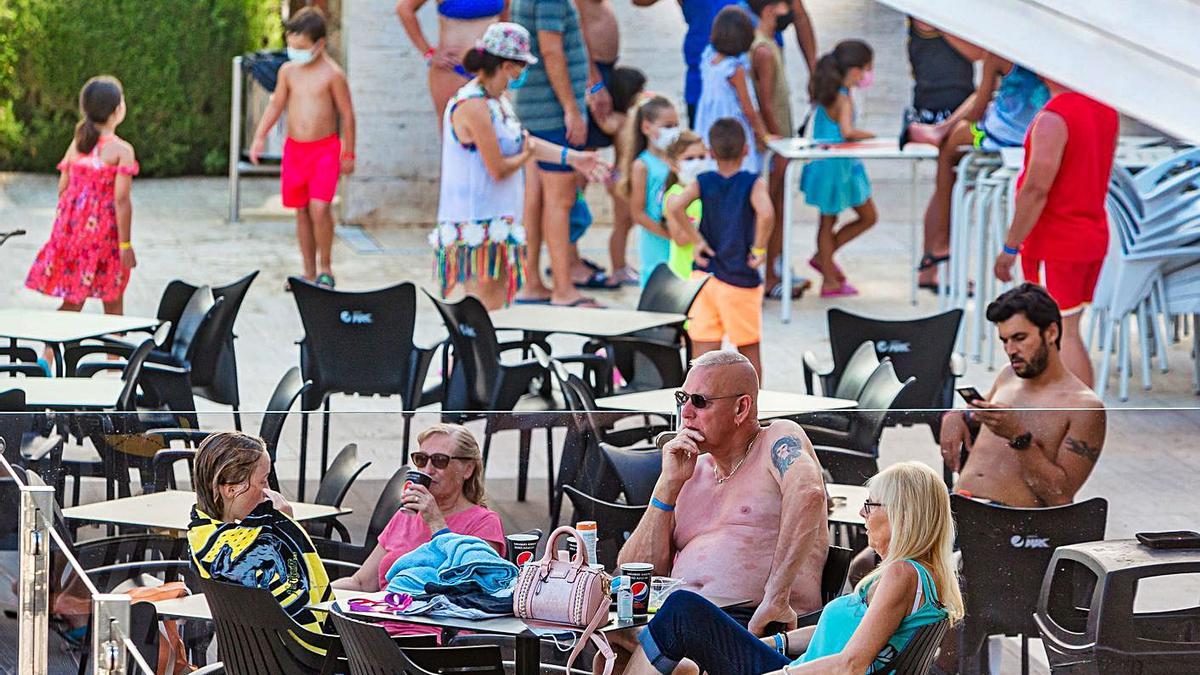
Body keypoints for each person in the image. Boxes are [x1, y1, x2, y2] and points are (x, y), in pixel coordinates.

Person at [602, 351, 827, 674]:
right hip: (674, 625)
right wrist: (667, 486)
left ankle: (677, 659)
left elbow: (808, 493)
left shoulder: (775, 441)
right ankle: (675, 659)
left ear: (741, 408)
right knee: (610, 629)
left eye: (700, 401)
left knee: (681, 610)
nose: (686, 412)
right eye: (682, 398)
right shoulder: (691, 470)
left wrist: (776, 596)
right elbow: (634, 574)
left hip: (751, 629)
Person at [625, 461, 964, 675]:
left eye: (869, 505)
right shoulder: (924, 576)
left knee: (683, 611)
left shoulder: (902, 574)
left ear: (901, 514)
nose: (862, 514)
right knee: (681, 621)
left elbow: (852, 664)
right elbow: (850, 635)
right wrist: (775, 643)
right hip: (798, 664)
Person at [431, 22, 605, 310]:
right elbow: (498, 168)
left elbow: (526, 143)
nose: (523, 74)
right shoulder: (473, 105)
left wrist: (575, 158)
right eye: (521, 67)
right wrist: (525, 159)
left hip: (499, 220)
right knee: (479, 311)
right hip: (476, 223)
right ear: (509, 66)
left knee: (495, 307)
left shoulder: (497, 101)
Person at [993, 83, 1119, 388]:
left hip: (1057, 238)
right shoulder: (1105, 107)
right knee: (1069, 329)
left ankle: (1079, 422)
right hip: (1089, 231)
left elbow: (1037, 187)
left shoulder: (1055, 117)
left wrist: (1010, 246)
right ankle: (1074, 418)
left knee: (1060, 334)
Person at [941, 283, 1107, 507]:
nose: (1010, 350)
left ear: (1051, 332)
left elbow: (1059, 495)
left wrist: (1019, 438)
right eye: (1005, 341)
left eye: (1019, 338)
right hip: (960, 509)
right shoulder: (1008, 375)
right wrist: (957, 417)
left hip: (1013, 528)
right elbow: (981, 417)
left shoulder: (1083, 407)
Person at [333, 424, 505, 635]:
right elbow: (361, 583)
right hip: (382, 625)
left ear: (467, 469)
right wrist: (318, 594)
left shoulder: (484, 522)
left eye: (439, 461)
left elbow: (473, 589)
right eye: (421, 460)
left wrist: (436, 523)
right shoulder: (406, 516)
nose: (428, 470)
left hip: (434, 634)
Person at [26, 75, 138, 368]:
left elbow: (64, 187)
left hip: (74, 237)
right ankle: (115, 366)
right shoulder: (121, 151)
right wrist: (125, 244)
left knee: (73, 300)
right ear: (117, 111)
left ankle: (46, 358)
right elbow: (122, 201)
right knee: (113, 301)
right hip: (106, 240)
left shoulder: (78, 144)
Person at [187, 432, 332, 653]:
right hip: (302, 662)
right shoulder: (263, 545)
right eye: (263, 481)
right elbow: (299, 603)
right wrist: (285, 527)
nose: (268, 491)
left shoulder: (201, 539)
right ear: (231, 489)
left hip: (246, 662)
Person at [913, 57, 1048, 290]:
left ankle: (943, 237)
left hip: (1002, 138)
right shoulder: (1050, 57)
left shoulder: (998, 56)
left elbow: (977, 110)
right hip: (1040, 135)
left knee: (951, 145)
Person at [250, 7, 356, 289]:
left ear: (319, 44)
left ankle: (326, 268)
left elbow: (347, 113)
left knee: (320, 208)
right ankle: (308, 272)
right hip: (296, 151)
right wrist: (260, 136)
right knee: (301, 210)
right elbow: (276, 104)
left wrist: (349, 152)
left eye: (301, 47)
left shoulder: (333, 74)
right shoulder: (288, 72)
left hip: (325, 150)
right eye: (291, 46)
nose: (294, 51)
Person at [512, 0, 602, 307]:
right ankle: (564, 288)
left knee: (535, 199)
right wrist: (571, 109)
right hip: (550, 111)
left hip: (535, 107)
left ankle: (532, 283)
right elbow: (551, 50)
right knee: (560, 200)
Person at [668, 119, 772, 376]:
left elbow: (675, 207)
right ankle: (752, 407)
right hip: (739, 279)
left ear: (712, 153)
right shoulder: (752, 182)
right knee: (748, 352)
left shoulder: (703, 181)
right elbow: (767, 214)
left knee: (702, 354)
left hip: (704, 277)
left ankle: (699, 409)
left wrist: (697, 240)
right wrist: (759, 249)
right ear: (746, 150)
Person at [631, 0, 816, 126]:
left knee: (776, 157)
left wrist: (814, 72)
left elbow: (798, 14)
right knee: (711, 158)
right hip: (708, 81)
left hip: (762, 74)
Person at [800, 40, 878, 298]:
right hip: (837, 167)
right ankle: (828, 276)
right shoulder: (842, 98)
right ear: (854, 70)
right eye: (867, 69)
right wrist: (870, 135)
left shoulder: (828, 93)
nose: (868, 75)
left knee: (828, 221)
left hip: (827, 165)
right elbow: (847, 131)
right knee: (864, 216)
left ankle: (824, 258)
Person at [747, 0, 809, 301]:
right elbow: (766, 102)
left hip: (781, 140)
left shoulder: (768, 44)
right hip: (776, 145)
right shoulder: (762, 49)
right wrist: (778, 143)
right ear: (772, 8)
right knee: (773, 208)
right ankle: (770, 276)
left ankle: (775, 270)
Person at [395, 0, 509, 124]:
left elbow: (506, 11)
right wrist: (428, 52)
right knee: (453, 129)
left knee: (500, 129)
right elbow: (404, 9)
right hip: (453, 69)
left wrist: (505, 52)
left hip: (492, 69)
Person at [694, 6, 769, 175]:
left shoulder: (708, 59)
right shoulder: (735, 70)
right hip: (732, 124)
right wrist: (763, 135)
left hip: (709, 122)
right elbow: (748, 107)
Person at [617, 96, 680, 287]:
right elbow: (638, 213)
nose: (674, 131)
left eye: (676, 125)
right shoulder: (642, 165)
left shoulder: (678, 160)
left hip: (679, 239)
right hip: (656, 240)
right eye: (667, 126)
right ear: (646, 127)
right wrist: (669, 235)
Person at [899, 19, 982, 148]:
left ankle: (941, 129)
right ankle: (940, 129)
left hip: (956, 102)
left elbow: (978, 54)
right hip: (933, 107)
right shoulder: (925, 20)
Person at [662, 130, 709, 279]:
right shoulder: (674, 196)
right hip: (684, 274)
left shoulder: (708, 191)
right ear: (674, 164)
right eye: (689, 159)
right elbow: (680, 239)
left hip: (706, 272)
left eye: (702, 157)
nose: (697, 163)